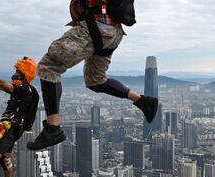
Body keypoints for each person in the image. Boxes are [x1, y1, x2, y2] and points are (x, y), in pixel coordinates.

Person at [27, 0, 158, 151]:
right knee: (96, 81)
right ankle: (143, 101)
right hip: (112, 33)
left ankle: (52, 128)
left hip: (95, 27)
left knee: (49, 67)